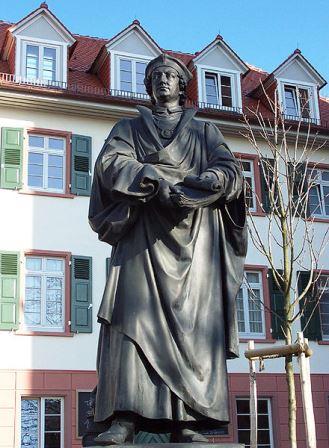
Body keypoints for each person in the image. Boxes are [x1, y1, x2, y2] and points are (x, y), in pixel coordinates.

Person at [88, 53, 247, 445]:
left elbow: (231, 172)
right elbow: (109, 164)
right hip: (142, 237)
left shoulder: (206, 133)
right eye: (156, 74)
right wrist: (148, 176)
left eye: (171, 75)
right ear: (148, 84)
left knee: (193, 329)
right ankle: (123, 417)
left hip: (194, 244)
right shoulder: (128, 128)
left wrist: (208, 181)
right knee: (130, 320)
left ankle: (189, 421)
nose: (163, 80)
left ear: (182, 85)